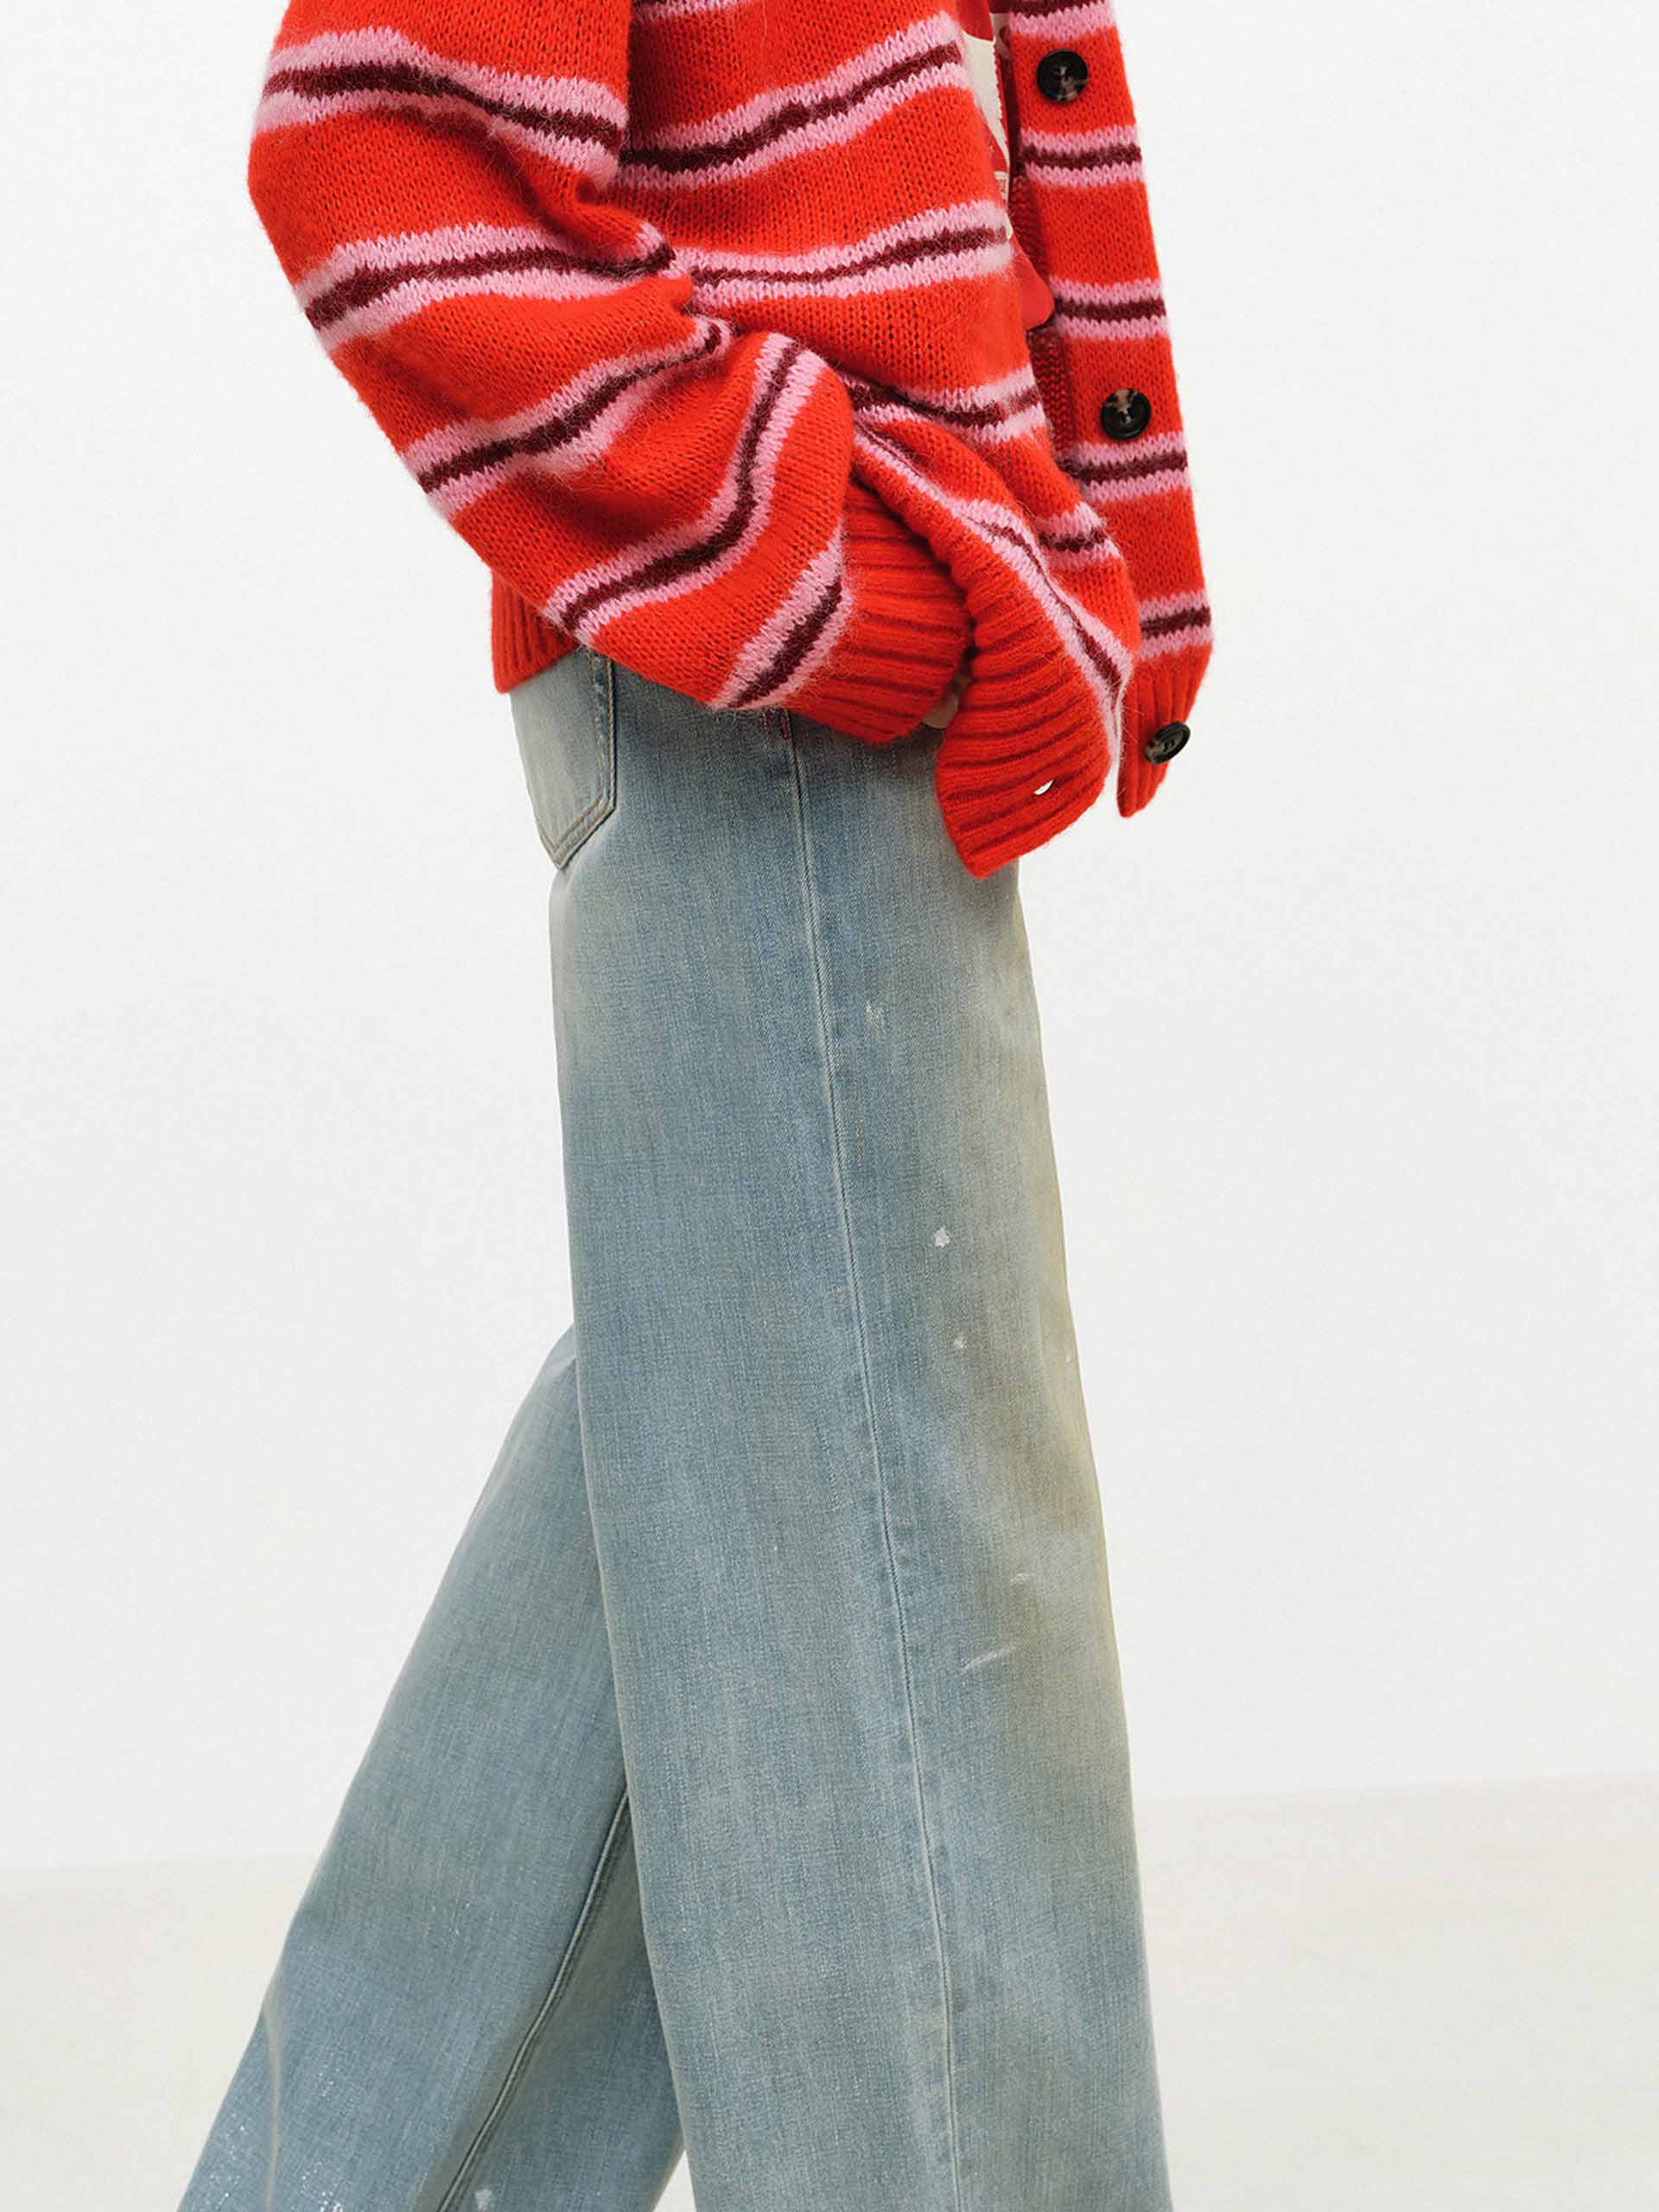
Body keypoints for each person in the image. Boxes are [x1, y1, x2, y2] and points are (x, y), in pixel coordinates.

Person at [181, 0, 1212, 2203]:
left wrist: (1037, 559)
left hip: (812, 701)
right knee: (934, 1654)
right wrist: (829, 553)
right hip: (772, 716)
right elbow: (372, 141)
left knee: (733, 1538)